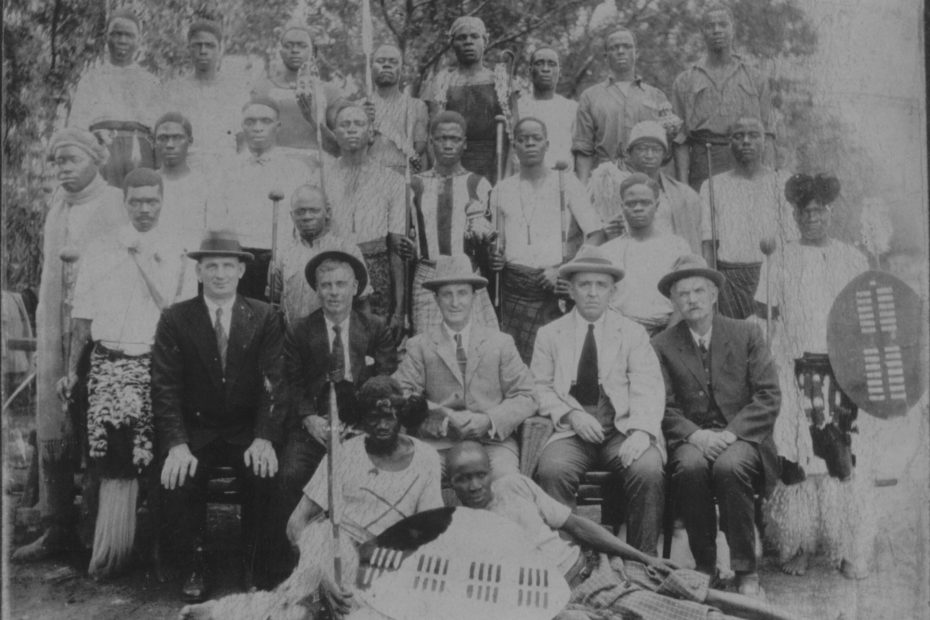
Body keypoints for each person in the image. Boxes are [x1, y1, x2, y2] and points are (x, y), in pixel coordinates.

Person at [177, 377, 443, 620]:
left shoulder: (426, 459)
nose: (382, 426)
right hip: (336, 561)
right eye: (373, 418)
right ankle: (223, 611)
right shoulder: (344, 454)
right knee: (301, 596)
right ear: (360, 419)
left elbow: (432, 532)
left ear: (402, 417)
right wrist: (324, 573)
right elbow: (296, 524)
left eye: (389, 417)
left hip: (388, 565)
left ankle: (227, 611)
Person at [449, 442, 800, 620]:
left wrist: (643, 557)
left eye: (480, 474)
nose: (475, 485)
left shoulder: (514, 486)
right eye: (463, 478)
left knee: (694, 587)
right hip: (572, 594)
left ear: (490, 469)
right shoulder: (460, 534)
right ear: (451, 482)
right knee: (694, 615)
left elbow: (577, 525)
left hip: (599, 563)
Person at [57, 168, 196, 577]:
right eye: (136, 201)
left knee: (150, 460)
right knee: (102, 457)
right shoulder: (100, 248)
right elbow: (81, 320)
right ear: (125, 203)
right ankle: (101, 548)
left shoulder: (176, 250)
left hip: (153, 364)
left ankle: (155, 551)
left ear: (162, 201)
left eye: (151, 201)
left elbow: (178, 316)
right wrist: (72, 373)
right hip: (104, 362)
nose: (144, 209)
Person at [13, 128, 126, 562]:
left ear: (95, 160)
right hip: (55, 327)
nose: (61, 169)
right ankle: (56, 526)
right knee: (54, 424)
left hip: (100, 330)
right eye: (57, 162)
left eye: (70, 160)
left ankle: (94, 530)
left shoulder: (114, 202)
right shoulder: (58, 206)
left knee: (97, 425)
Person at [152, 230, 284, 600]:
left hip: (246, 431)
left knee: (266, 473)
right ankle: (194, 562)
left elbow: (275, 381)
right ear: (198, 272)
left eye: (229, 265)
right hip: (197, 431)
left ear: (242, 270)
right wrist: (176, 443)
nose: (220, 274)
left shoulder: (264, 316)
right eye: (212, 266)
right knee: (177, 477)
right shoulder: (176, 319)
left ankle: (254, 563)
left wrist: (265, 437)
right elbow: (165, 388)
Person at [754, 174, 874, 580]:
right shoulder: (779, 259)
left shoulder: (851, 259)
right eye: (803, 211)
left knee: (842, 459)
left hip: (842, 371)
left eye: (818, 210)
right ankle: (798, 544)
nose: (811, 217)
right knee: (797, 461)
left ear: (830, 212)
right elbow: (764, 321)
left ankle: (847, 548)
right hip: (794, 368)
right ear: (794, 215)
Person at [652, 254, 780, 596]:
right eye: (683, 293)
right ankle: (706, 565)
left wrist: (730, 433)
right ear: (673, 300)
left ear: (713, 295)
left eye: (698, 291)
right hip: (692, 438)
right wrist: (696, 435)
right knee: (690, 467)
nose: (691, 299)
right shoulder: (662, 345)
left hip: (741, 436)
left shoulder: (746, 334)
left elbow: (768, 395)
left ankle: (745, 571)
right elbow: (661, 405)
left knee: (730, 465)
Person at [532, 249, 665, 555]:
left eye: (600, 285)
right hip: (571, 429)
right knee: (552, 470)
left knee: (647, 468)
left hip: (621, 427)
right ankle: (566, 561)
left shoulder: (632, 333)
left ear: (612, 291)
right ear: (571, 289)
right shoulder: (550, 334)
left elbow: (648, 385)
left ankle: (641, 562)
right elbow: (539, 387)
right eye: (584, 285)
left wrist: (642, 431)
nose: (592, 293)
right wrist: (571, 416)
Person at [277, 249, 397, 523]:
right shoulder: (300, 331)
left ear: (355, 288)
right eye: (326, 285)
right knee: (291, 473)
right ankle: (297, 552)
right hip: (314, 425)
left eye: (341, 284)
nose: (334, 292)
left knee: (371, 475)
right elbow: (292, 382)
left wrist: (362, 423)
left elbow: (386, 379)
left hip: (361, 425)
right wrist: (309, 419)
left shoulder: (375, 328)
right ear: (316, 290)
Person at [393, 254, 536, 476]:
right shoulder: (420, 345)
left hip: (493, 443)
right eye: (447, 295)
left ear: (474, 297)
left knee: (506, 481)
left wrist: (489, 420)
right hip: (438, 443)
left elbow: (527, 395)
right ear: (436, 299)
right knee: (415, 478)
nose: (455, 302)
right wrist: (442, 417)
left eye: (462, 293)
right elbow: (401, 393)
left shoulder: (500, 342)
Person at [490, 117, 604, 364]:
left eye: (536, 138)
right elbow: (496, 241)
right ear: (515, 146)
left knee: (553, 361)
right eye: (522, 139)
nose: (529, 144)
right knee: (516, 362)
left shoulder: (565, 182)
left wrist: (565, 271)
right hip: (514, 289)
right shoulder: (501, 189)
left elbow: (595, 233)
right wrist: (495, 256)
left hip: (553, 288)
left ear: (547, 144)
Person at [214, 97, 321, 301]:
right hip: (237, 262)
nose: (257, 128)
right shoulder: (227, 170)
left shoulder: (296, 171)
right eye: (250, 122)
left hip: (278, 262)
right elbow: (219, 221)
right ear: (242, 126)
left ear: (278, 126)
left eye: (265, 121)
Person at [400, 111, 497, 334]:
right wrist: (411, 248)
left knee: (476, 348)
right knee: (429, 347)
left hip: (468, 276)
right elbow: (409, 233)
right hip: (428, 275)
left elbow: (488, 238)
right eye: (442, 138)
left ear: (464, 144)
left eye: (454, 139)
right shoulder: (414, 186)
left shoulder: (479, 184)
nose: (448, 144)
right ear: (432, 142)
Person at [672, 4, 775, 191]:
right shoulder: (685, 80)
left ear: (733, 29)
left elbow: (767, 134)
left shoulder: (756, 78)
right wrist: (683, 187)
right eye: (710, 26)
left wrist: (769, 179)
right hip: (705, 162)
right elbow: (681, 140)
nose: (716, 30)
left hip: (748, 162)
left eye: (723, 24)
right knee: (709, 217)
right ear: (702, 31)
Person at [699, 116, 793, 319]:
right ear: (728, 143)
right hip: (729, 280)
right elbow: (708, 243)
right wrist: (709, 284)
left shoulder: (782, 182)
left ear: (765, 141)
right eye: (738, 136)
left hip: (772, 275)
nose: (746, 141)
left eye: (753, 135)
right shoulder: (713, 185)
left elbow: (791, 239)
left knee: (770, 342)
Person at [326, 102, 407, 327]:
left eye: (359, 124)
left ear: (370, 132)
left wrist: (400, 311)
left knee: (375, 344)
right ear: (334, 133)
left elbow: (397, 247)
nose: (351, 129)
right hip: (334, 268)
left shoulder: (392, 181)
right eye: (344, 124)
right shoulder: (321, 178)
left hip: (377, 271)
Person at [572, 27, 678, 184]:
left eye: (627, 46)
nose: (621, 51)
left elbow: (665, 152)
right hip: (605, 180)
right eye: (614, 48)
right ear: (606, 56)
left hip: (646, 180)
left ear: (637, 53)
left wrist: (670, 135)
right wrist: (582, 188)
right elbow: (583, 149)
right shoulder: (590, 97)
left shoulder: (656, 96)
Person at [68, 8, 159, 186]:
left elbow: (159, 130)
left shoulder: (151, 82)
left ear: (139, 40)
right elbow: (76, 128)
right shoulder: (91, 80)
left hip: (139, 154)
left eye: (129, 35)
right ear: (106, 37)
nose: (122, 40)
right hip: (101, 153)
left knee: (136, 206)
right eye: (116, 34)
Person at [422, 16, 514, 184]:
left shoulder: (500, 81)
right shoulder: (442, 81)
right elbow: (433, 133)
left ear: (485, 41)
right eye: (461, 38)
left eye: (474, 36)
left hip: (493, 165)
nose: (468, 42)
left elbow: (513, 135)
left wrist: (506, 180)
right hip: (451, 163)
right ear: (452, 43)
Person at [589, 120, 702, 251]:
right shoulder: (612, 187)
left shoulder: (682, 194)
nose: (649, 155)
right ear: (629, 153)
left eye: (656, 150)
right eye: (642, 149)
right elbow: (595, 233)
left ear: (665, 154)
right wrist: (605, 233)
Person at [599, 173, 691, 335]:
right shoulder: (608, 251)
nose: (638, 208)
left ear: (657, 205)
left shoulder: (677, 246)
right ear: (622, 207)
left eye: (645, 203)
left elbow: (686, 297)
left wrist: (666, 338)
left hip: (668, 331)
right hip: (620, 332)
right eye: (631, 203)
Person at [268, 185, 372, 325]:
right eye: (300, 212)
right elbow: (274, 302)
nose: (307, 217)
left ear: (327, 212)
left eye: (314, 210)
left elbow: (362, 303)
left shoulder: (347, 250)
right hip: (294, 341)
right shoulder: (282, 254)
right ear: (292, 216)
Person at [251, 24, 342, 158]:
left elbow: (339, 147)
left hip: (317, 167)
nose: (294, 50)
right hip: (274, 166)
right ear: (280, 51)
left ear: (314, 52)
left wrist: (313, 120)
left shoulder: (329, 92)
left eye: (302, 45)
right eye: (288, 45)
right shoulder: (262, 89)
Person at [162, 21, 241, 173]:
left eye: (210, 45)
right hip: (187, 169)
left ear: (220, 49)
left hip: (227, 169)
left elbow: (242, 139)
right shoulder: (174, 90)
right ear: (188, 49)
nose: (203, 51)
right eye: (197, 45)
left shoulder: (235, 90)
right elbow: (165, 137)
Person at [366, 43, 428, 176]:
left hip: (404, 176)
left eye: (393, 62)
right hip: (369, 176)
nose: (386, 65)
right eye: (380, 61)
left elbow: (420, 148)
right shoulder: (359, 107)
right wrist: (364, 122)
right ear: (370, 67)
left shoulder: (417, 106)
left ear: (402, 69)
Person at [153, 112, 210, 250]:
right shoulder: (147, 183)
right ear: (154, 142)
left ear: (190, 141)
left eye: (177, 138)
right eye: (163, 138)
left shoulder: (205, 185)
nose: (170, 145)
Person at [516, 47, 577, 171]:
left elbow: (580, 151)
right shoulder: (517, 107)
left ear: (559, 71)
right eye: (539, 63)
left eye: (552, 64)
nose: (545, 69)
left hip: (562, 181)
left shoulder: (572, 108)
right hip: (524, 180)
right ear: (530, 71)